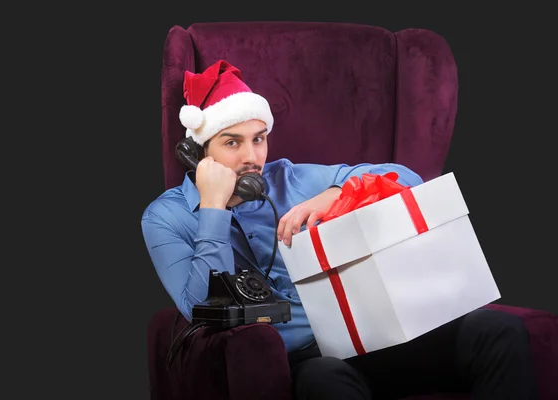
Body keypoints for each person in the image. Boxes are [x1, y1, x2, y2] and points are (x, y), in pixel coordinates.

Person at [141, 60, 537, 400]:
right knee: (327, 381)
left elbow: (407, 179)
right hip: (303, 363)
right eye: (232, 142)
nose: (252, 157)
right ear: (197, 152)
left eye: (259, 139)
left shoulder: (290, 178)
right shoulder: (165, 217)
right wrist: (213, 208)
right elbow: (199, 309)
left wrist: (334, 193)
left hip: (372, 340)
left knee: (497, 331)